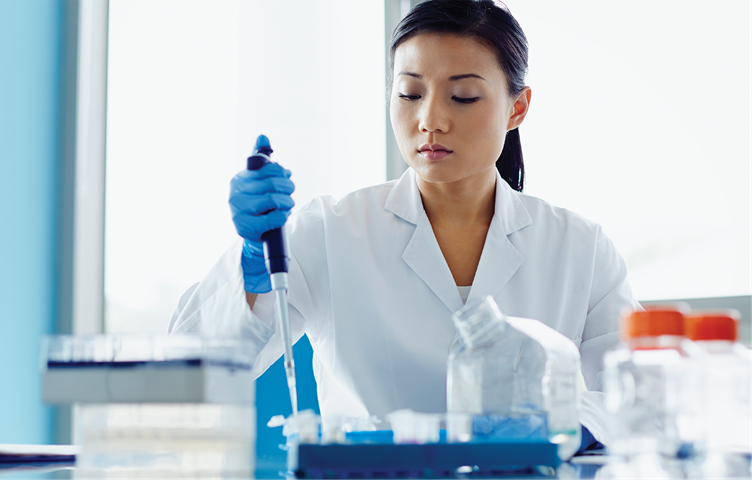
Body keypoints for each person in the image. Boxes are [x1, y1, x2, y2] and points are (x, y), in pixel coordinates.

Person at [168, 0, 638, 453]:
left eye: (464, 96)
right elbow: (191, 377)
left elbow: (635, 394)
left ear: (517, 108)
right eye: (410, 93)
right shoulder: (330, 231)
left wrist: (566, 427)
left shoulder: (581, 248)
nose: (430, 119)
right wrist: (250, 267)